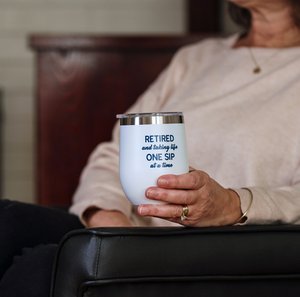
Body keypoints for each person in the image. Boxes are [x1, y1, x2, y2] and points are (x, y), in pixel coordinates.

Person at [71, 0, 300, 228]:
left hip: (233, 257)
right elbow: (114, 156)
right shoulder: (195, 58)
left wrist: (232, 206)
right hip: (134, 246)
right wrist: (108, 221)